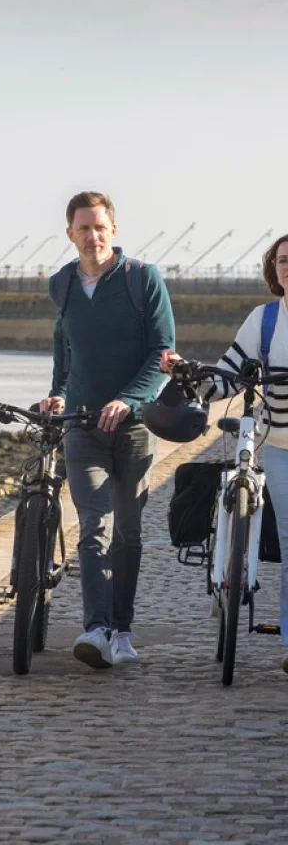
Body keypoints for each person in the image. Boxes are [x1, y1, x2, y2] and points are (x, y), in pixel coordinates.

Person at [40, 191, 174, 668]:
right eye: (83, 228)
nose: (92, 236)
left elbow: (162, 354)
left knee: (129, 534)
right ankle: (95, 630)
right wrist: (58, 390)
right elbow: (64, 348)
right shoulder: (62, 284)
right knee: (94, 528)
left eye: (100, 227)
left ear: (113, 230)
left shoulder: (143, 279)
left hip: (135, 429)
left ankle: (122, 629)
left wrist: (128, 399)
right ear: (70, 234)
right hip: (81, 426)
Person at [160, 233, 288, 674]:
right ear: (274, 270)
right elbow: (230, 376)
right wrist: (190, 374)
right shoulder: (264, 321)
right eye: (283, 260)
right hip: (279, 444)